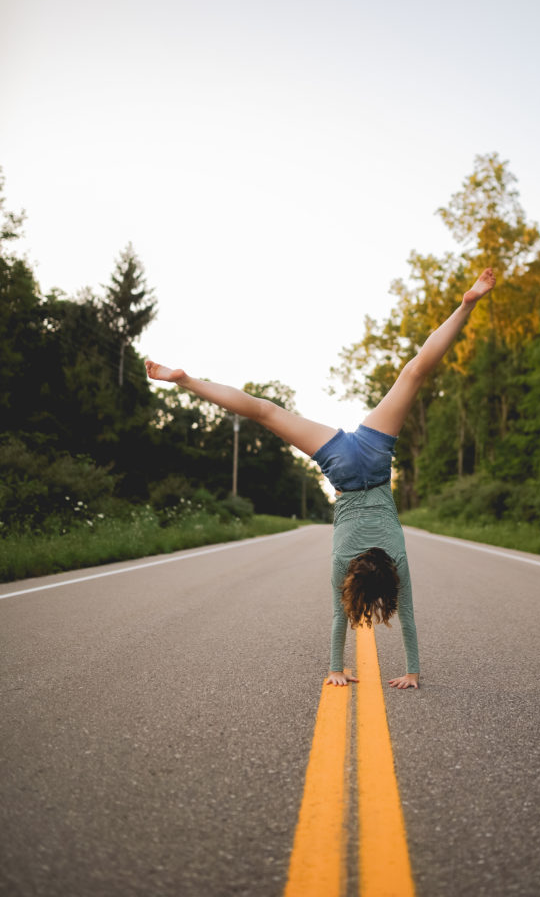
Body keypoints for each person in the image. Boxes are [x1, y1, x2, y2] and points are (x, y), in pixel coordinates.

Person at [145, 268, 496, 690]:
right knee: (267, 411)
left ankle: (467, 304)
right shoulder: (342, 563)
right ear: (358, 580)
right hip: (344, 469)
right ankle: (184, 379)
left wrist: (408, 671)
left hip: (372, 455)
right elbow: (342, 618)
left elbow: (401, 619)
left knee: (413, 372)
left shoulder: (397, 560)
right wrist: (337, 670)